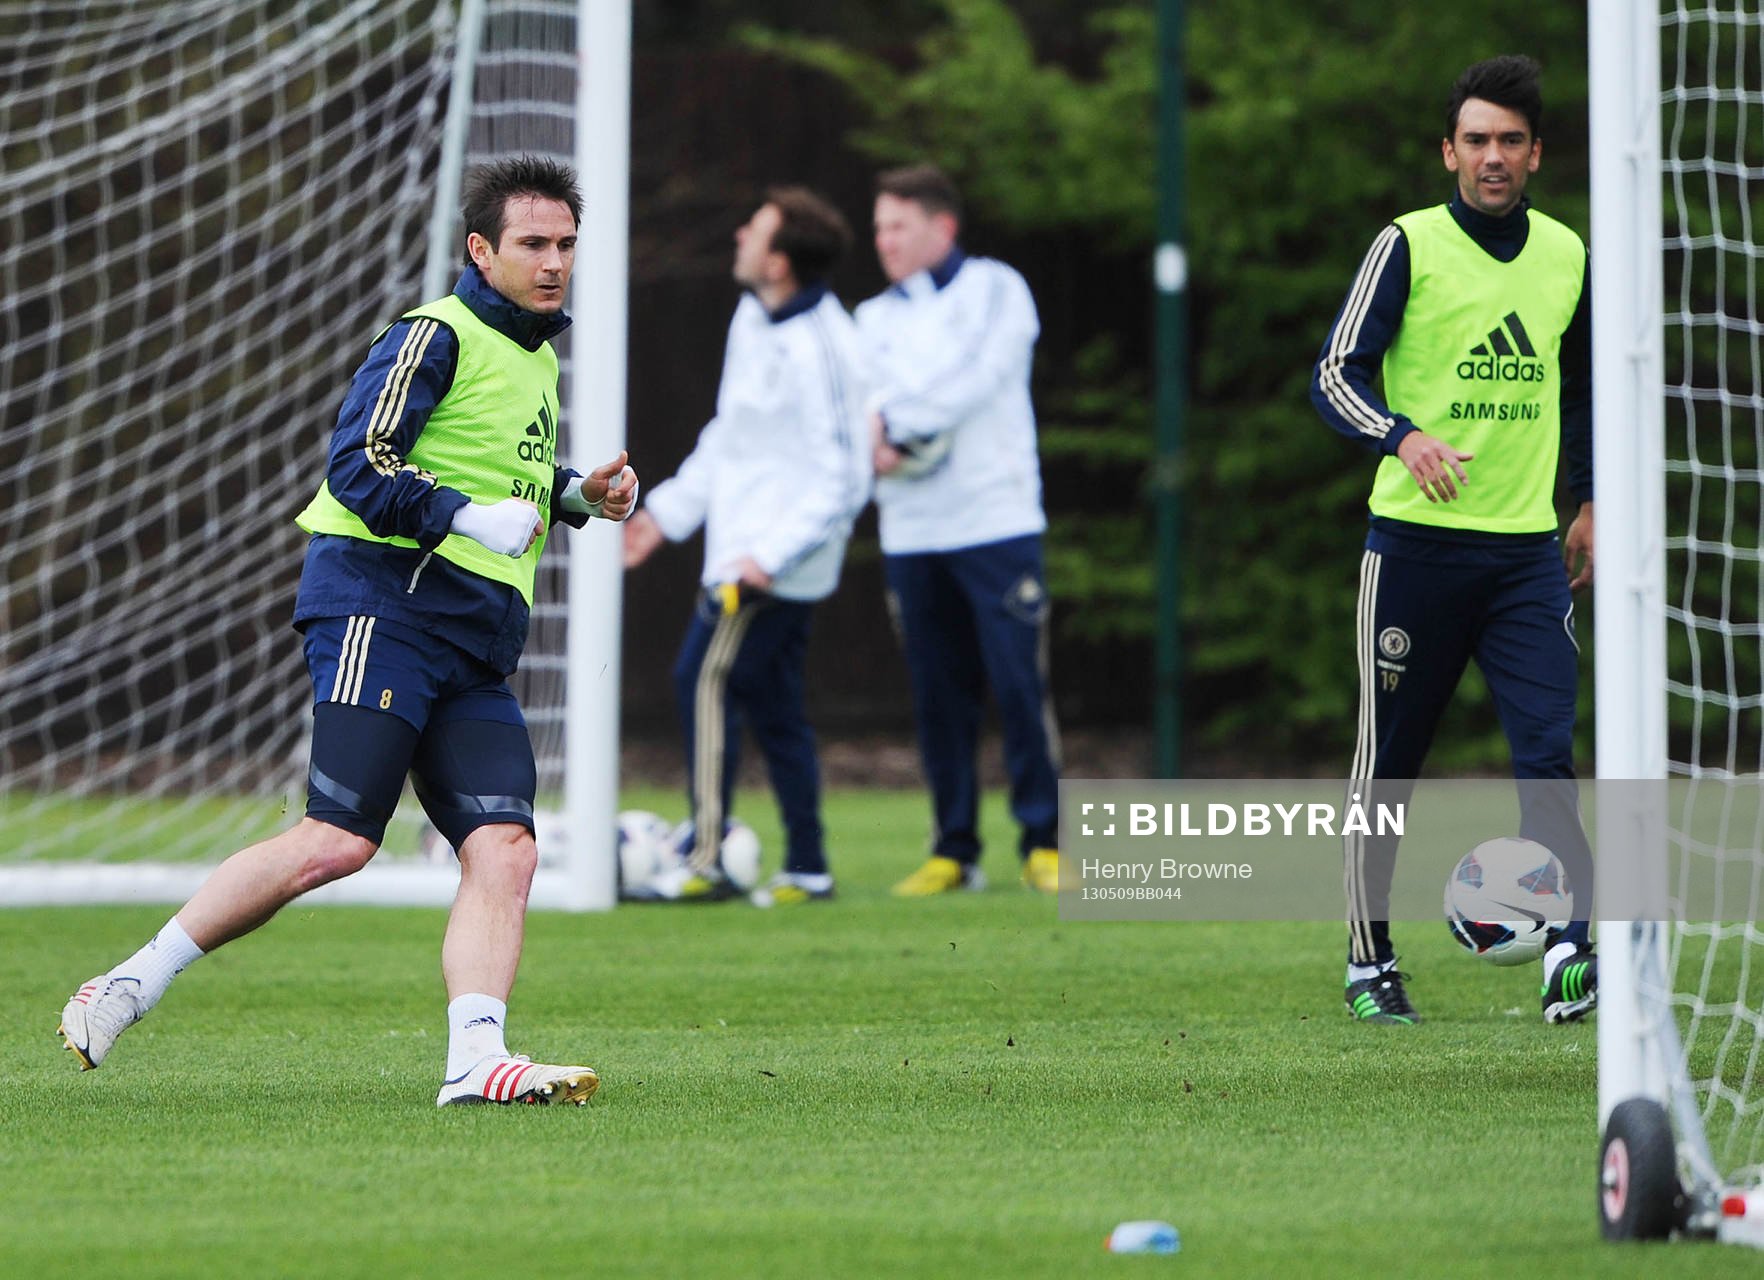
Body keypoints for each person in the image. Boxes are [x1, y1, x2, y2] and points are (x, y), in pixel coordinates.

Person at [57, 156, 636, 1105]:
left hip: (472, 641)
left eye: (567, 244)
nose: (555, 262)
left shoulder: (533, 352)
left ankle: (473, 1061)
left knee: (507, 847)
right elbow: (359, 464)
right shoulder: (431, 333)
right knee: (338, 839)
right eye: (534, 243)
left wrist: (576, 494)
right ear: (480, 249)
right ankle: (129, 981)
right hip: (384, 605)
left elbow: (499, 469)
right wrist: (460, 516)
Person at [1310, 55, 1597, 1025]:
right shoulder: (1407, 245)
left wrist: (1588, 501)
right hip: (1416, 550)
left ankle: (1570, 944)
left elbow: (1586, 389)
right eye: (1476, 139)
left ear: (1536, 154)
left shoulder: (1567, 254)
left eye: (1511, 140)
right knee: (1389, 761)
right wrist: (1404, 433)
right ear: (1449, 151)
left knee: (1547, 749)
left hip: (1525, 553)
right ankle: (1368, 958)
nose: (1493, 156)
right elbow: (1336, 373)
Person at [623, 187, 870, 906]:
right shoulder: (752, 317)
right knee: (773, 706)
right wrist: (665, 514)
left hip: (769, 569)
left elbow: (846, 478)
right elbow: (730, 436)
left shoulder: (829, 345)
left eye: (755, 231)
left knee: (701, 680)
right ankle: (810, 867)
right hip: (740, 550)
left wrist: (772, 557)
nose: (739, 235)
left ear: (782, 260)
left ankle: (703, 856)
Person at [854, 163, 1061, 896]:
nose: (884, 241)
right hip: (911, 529)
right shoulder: (870, 319)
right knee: (937, 694)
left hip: (996, 519)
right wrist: (873, 434)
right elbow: (859, 405)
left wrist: (896, 425)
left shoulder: (997, 289)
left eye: (898, 226)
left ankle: (1044, 841)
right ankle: (953, 849)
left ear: (943, 227)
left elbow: (981, 377)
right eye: (878, 228)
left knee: (1017, 683)